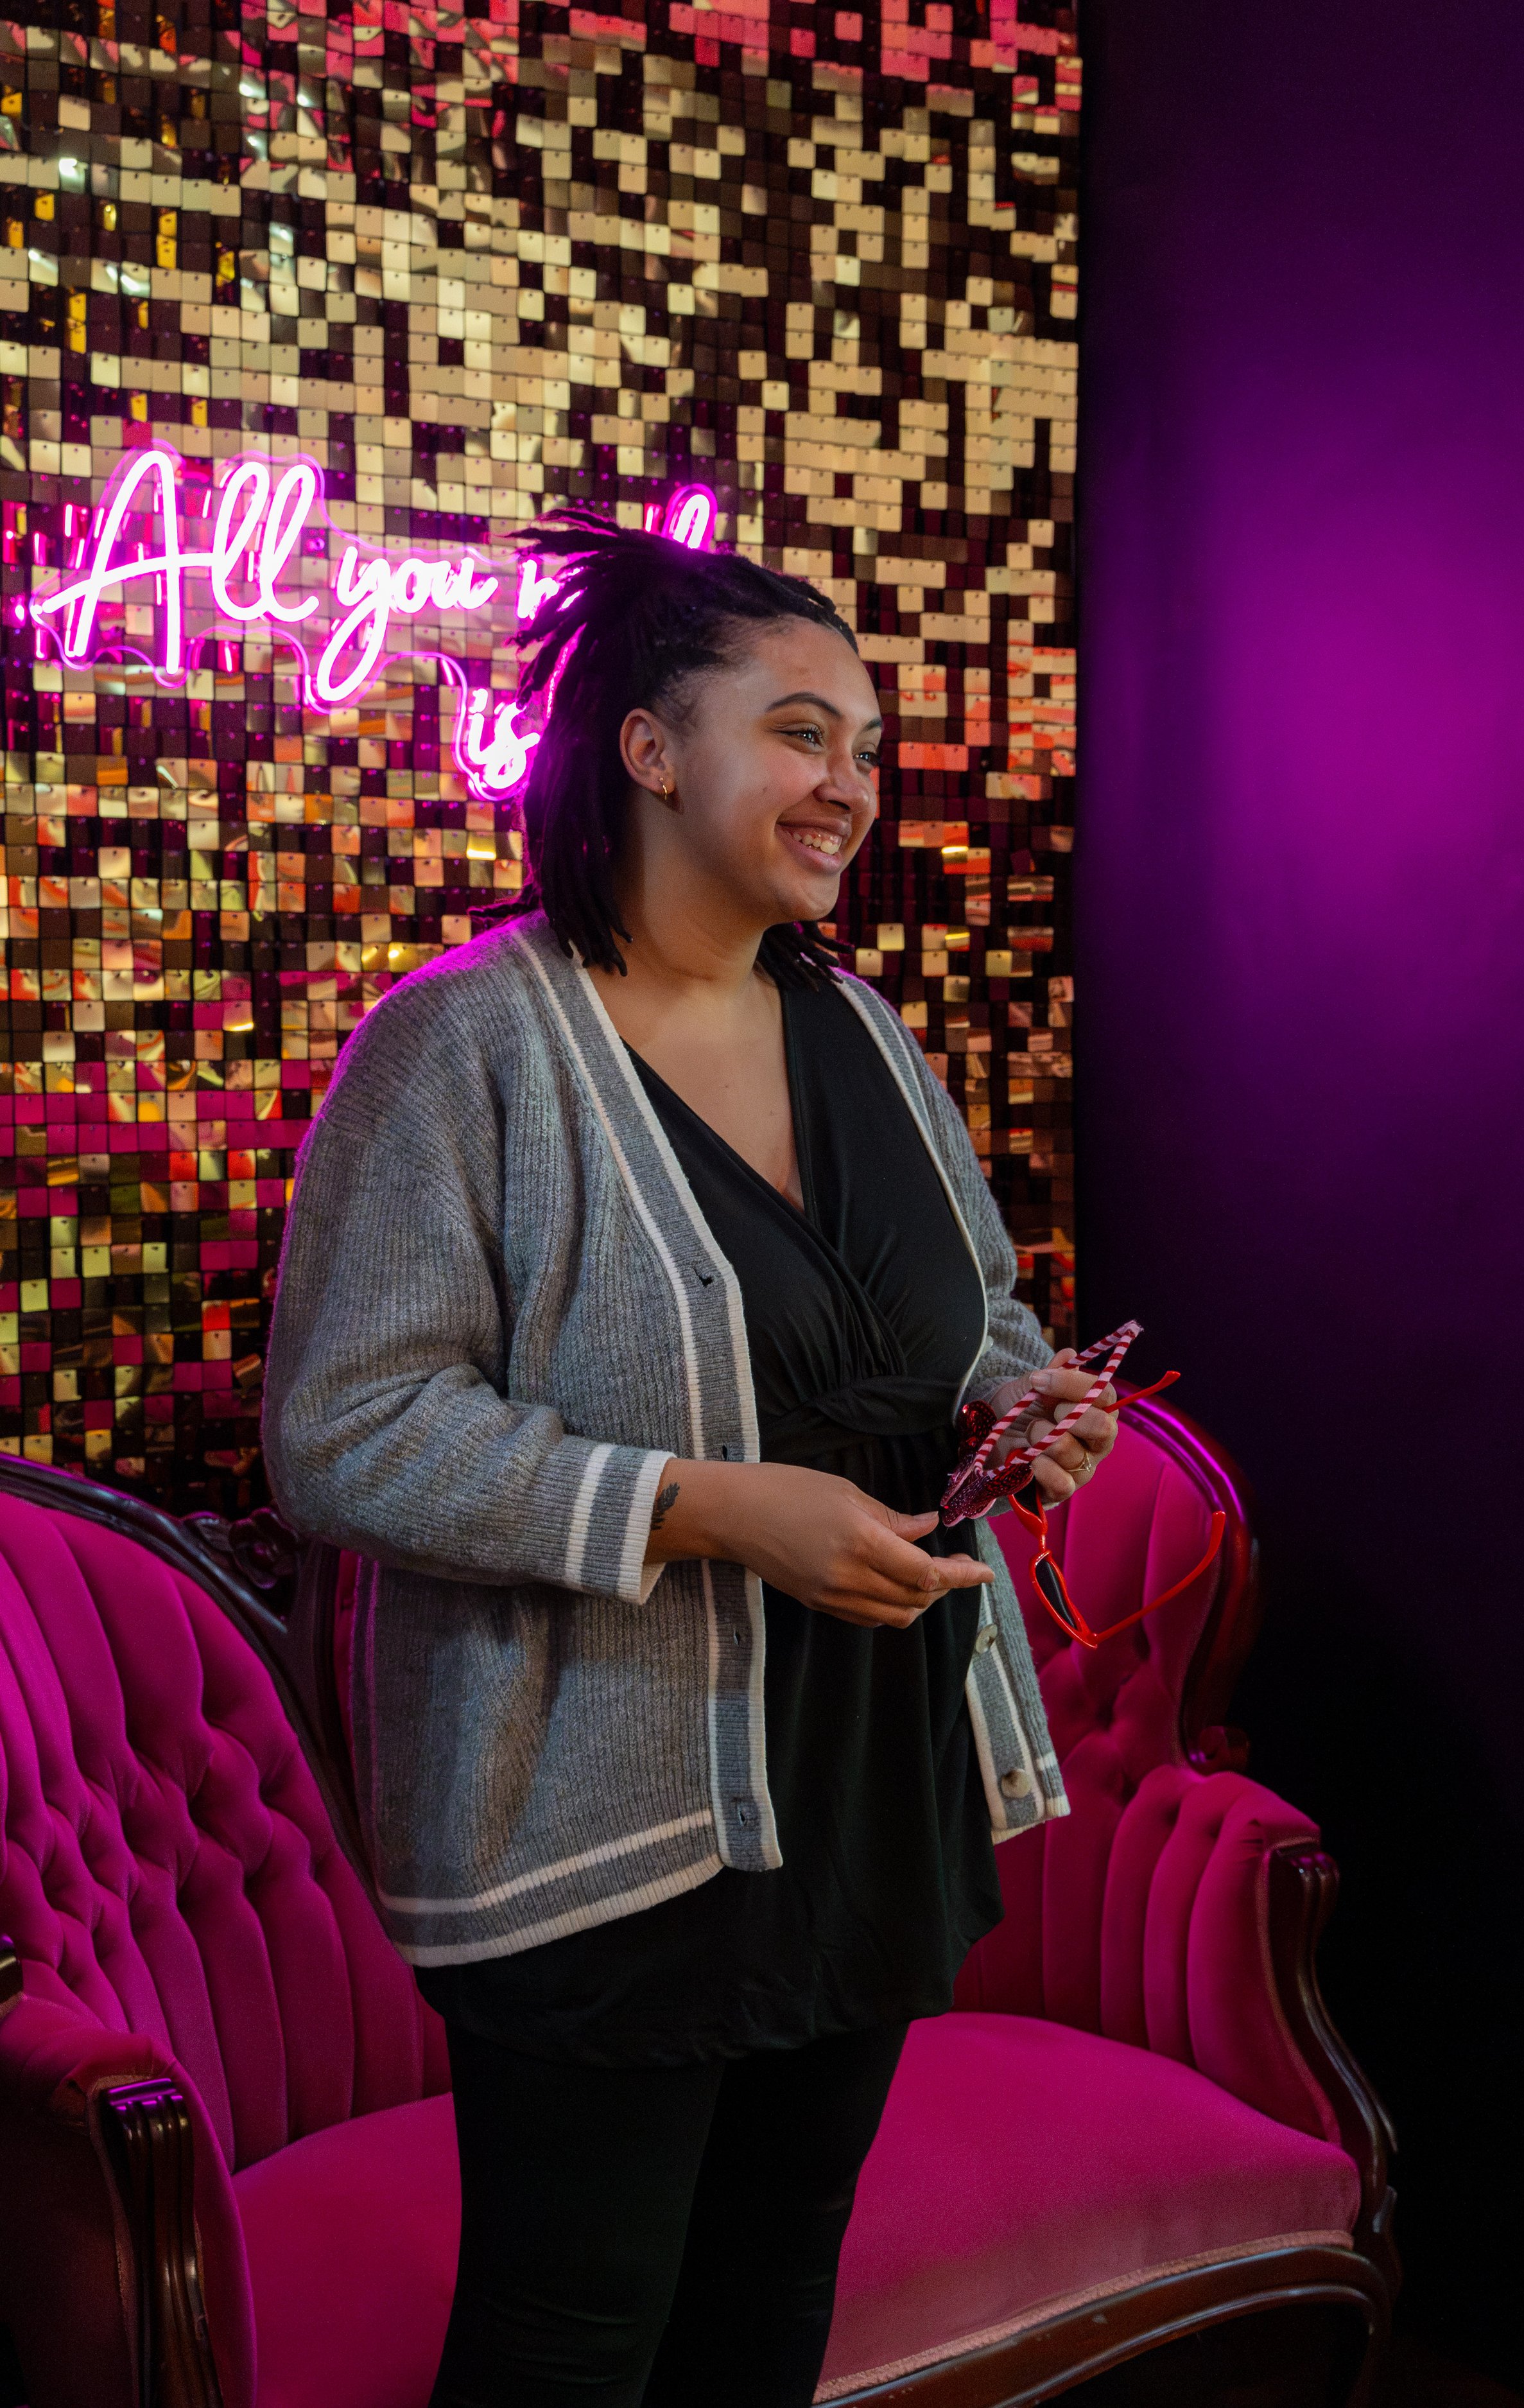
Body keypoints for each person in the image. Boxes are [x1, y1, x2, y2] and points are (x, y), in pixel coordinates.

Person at [263, 514, 1116, 2408]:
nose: (851, 790)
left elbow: (961, 1314)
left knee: (764, 2304)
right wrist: (703, 1508)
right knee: (571, 2342)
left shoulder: (866, 1034)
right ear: (649, 750)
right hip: (603, 1828)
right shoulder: (460, 1048)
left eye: (869, 750)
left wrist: (1027, 1406)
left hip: (875, 1773)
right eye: (804, 733)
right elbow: (344, 1435)